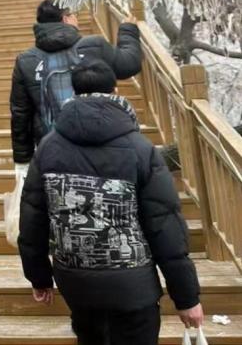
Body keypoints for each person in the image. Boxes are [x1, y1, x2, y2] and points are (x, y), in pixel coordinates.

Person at [18, 59, 203, 345]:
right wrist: (186, 297)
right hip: (133, 284)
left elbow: (33, 218)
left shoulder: (48, 148)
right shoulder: (141, 150)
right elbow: (164, 226)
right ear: (116, 89)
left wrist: (39, 276)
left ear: (73, 92)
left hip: (76, 281)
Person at [10, 0, 142, 170]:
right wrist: (128, 30)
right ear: (66, 19)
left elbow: (20, 113)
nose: (77, 19)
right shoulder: (94, 46)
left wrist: (23, 161)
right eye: (74, 15)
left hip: (54, 151)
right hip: (102, 143)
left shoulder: (26, 61)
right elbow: (129, 64)